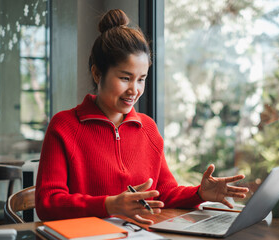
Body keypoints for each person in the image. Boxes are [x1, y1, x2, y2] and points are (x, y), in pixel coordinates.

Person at [35, 9, 249, 224]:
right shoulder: (65, 126)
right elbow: (48, 203)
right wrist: (109, 205)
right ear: (97, 73)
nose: (134, 90)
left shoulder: (147, 128)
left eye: (141, 79)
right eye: (125, 78)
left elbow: (164, 193)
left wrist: (200, 194)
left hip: (140, 233)